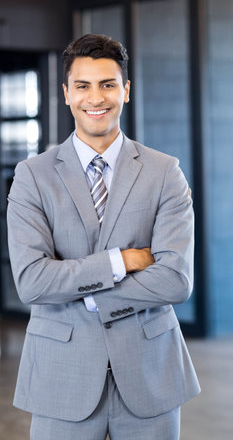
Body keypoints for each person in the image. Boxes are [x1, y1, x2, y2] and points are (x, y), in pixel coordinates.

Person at [7, 34, 200, 440]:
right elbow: (32, 281)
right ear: (66, 94)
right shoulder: (33, 176)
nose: (96, 98)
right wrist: (122, 262)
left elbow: (175, 279)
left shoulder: (164, 172)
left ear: (125, 91)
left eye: (108, 84)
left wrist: (83, 292)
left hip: (149, 375)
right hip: (63, 374)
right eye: (83, 86)